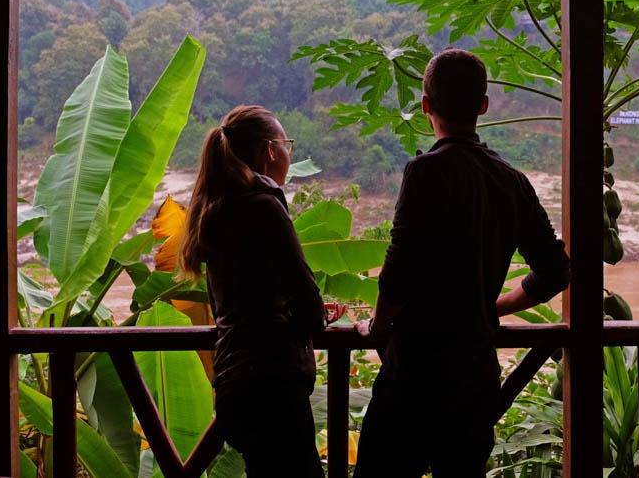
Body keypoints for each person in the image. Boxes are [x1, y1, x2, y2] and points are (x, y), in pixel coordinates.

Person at [352, 48, 571, 478]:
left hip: (415, 376)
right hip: (474, 379)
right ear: (483, 107)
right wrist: (492, 307)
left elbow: (398, 272)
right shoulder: (511, 182)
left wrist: (377, 327)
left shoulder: (424, 172)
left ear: (426, 106)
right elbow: (555, 272)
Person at [178, 105, 328, 477]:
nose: (289, 154)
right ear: (270, 151)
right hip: (273, 386)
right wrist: (314, 316)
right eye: (287, 144)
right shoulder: (263, 206)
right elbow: (307, 300)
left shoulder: (216, 209)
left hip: (234, 384)